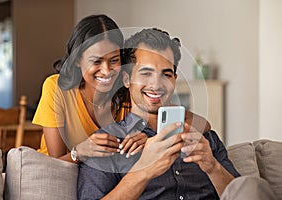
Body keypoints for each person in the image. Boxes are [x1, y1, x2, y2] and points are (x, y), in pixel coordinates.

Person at [77, 28, 276, 199]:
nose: (156, 85)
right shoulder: (107, 143)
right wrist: (143, 171)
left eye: (166, 73)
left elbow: (238, 193)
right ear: (127, 79)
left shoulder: (203, 137)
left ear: (174, 79)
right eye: (146, 73)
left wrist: (212, 166)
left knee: (252, 186)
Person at [32, 15, 211, 162]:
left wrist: (152, 137)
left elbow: (202, 124)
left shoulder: (128, 91)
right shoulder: (56, 88)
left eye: (114, 60)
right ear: (78, 60)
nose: (107, 70)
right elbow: (54, 162)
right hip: (58, 172)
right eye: (96, 61)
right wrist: (80, 151)